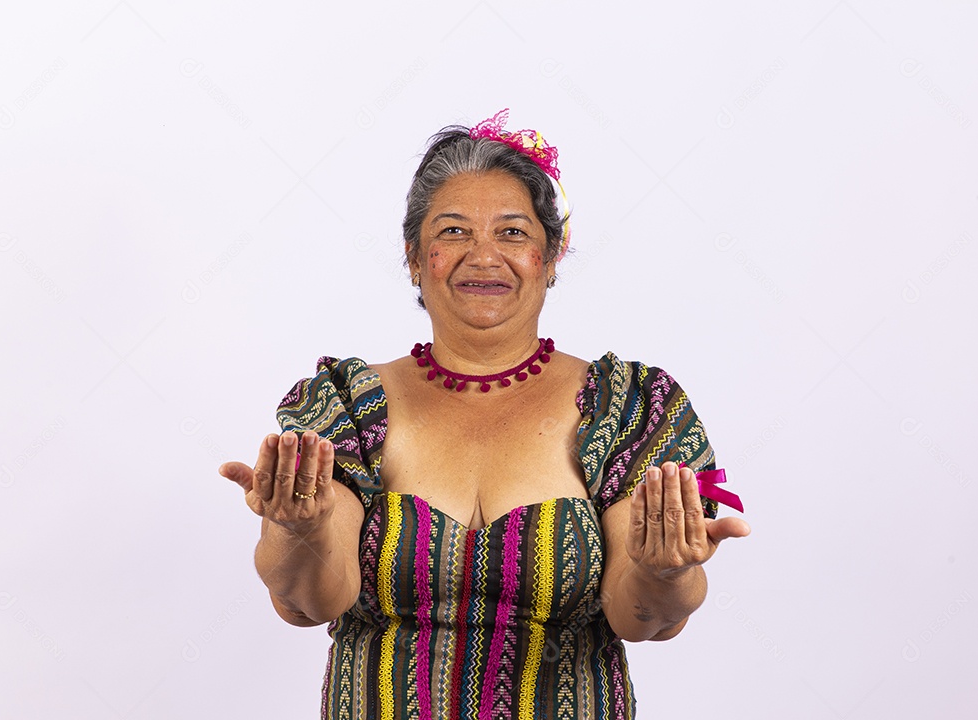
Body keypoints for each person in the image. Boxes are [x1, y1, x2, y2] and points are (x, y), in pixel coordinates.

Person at [219, 109, 749, 719]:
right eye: (452, 232)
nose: (484, 255)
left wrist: (665, 570)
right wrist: (299, 529)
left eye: (513, 233)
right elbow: (308, 602)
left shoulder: (626, 407)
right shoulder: (346, 404)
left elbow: (647, 619)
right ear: (416, 260)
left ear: (550, 259)